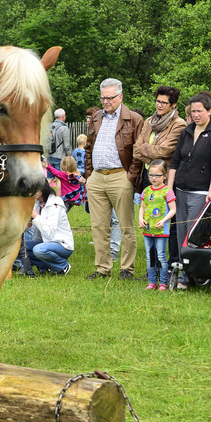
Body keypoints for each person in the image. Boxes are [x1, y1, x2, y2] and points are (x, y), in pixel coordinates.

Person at [84, 78, 144, 280]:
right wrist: (89, 175)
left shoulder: (134, 119)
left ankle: (127, 269)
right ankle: (103, 268)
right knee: (99, 227)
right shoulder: (96, 117)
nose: (105, 101)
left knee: (126, 226)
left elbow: (138, 151)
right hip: (97, 177)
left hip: (120, 176)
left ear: (120, 97)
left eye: (110, 97)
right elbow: (89, 147)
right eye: (103, 98)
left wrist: (130, 176)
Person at [167, 93, 211, 290]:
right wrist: (169, 189)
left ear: (209, 111)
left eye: (199, 111)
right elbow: (176, 161)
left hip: (201, 192)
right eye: (193, 111)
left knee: (192, 234)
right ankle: (184, 273)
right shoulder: (187, 131)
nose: (196, 115)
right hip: (180, 190)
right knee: (181, 233)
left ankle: (194, 275)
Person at [132, 85, 188, 276]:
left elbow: (166, 151)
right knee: (151, 221)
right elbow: (136, 149)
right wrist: (151, 152)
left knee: (168, 224)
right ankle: (153, 269)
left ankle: (171, 265)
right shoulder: (149, 121)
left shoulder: (178, 124)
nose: (160, 105)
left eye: (164, 102)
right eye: (158, 101)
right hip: (149, 178)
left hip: (168, 180)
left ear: (173, 105)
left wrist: (145, 149)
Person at [138, 160, 176, 291]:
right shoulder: (146, 191)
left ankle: (163, 282)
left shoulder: (168, 191)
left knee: (161, 256)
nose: (154, 178)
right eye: (151, 175)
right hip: (148, 229)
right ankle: (152, 282)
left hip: (161, 230)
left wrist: (164, 220)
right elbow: (142, 207)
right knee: (150, 256)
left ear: (165, 176)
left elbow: (173, 210)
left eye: (157, 175)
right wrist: (140, 219)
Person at [25, 179, 74, 275]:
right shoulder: (37, 203)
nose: (33, 192)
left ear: (43, 188)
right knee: (19, 247)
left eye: (36, 189)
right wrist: (29, 222)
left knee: (38, 250)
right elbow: (33, 228)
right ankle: (47, 266)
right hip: (44, 242)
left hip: (62, 244)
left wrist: (35, 216)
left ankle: (62, 265)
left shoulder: (55, 204)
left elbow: (49, 232)